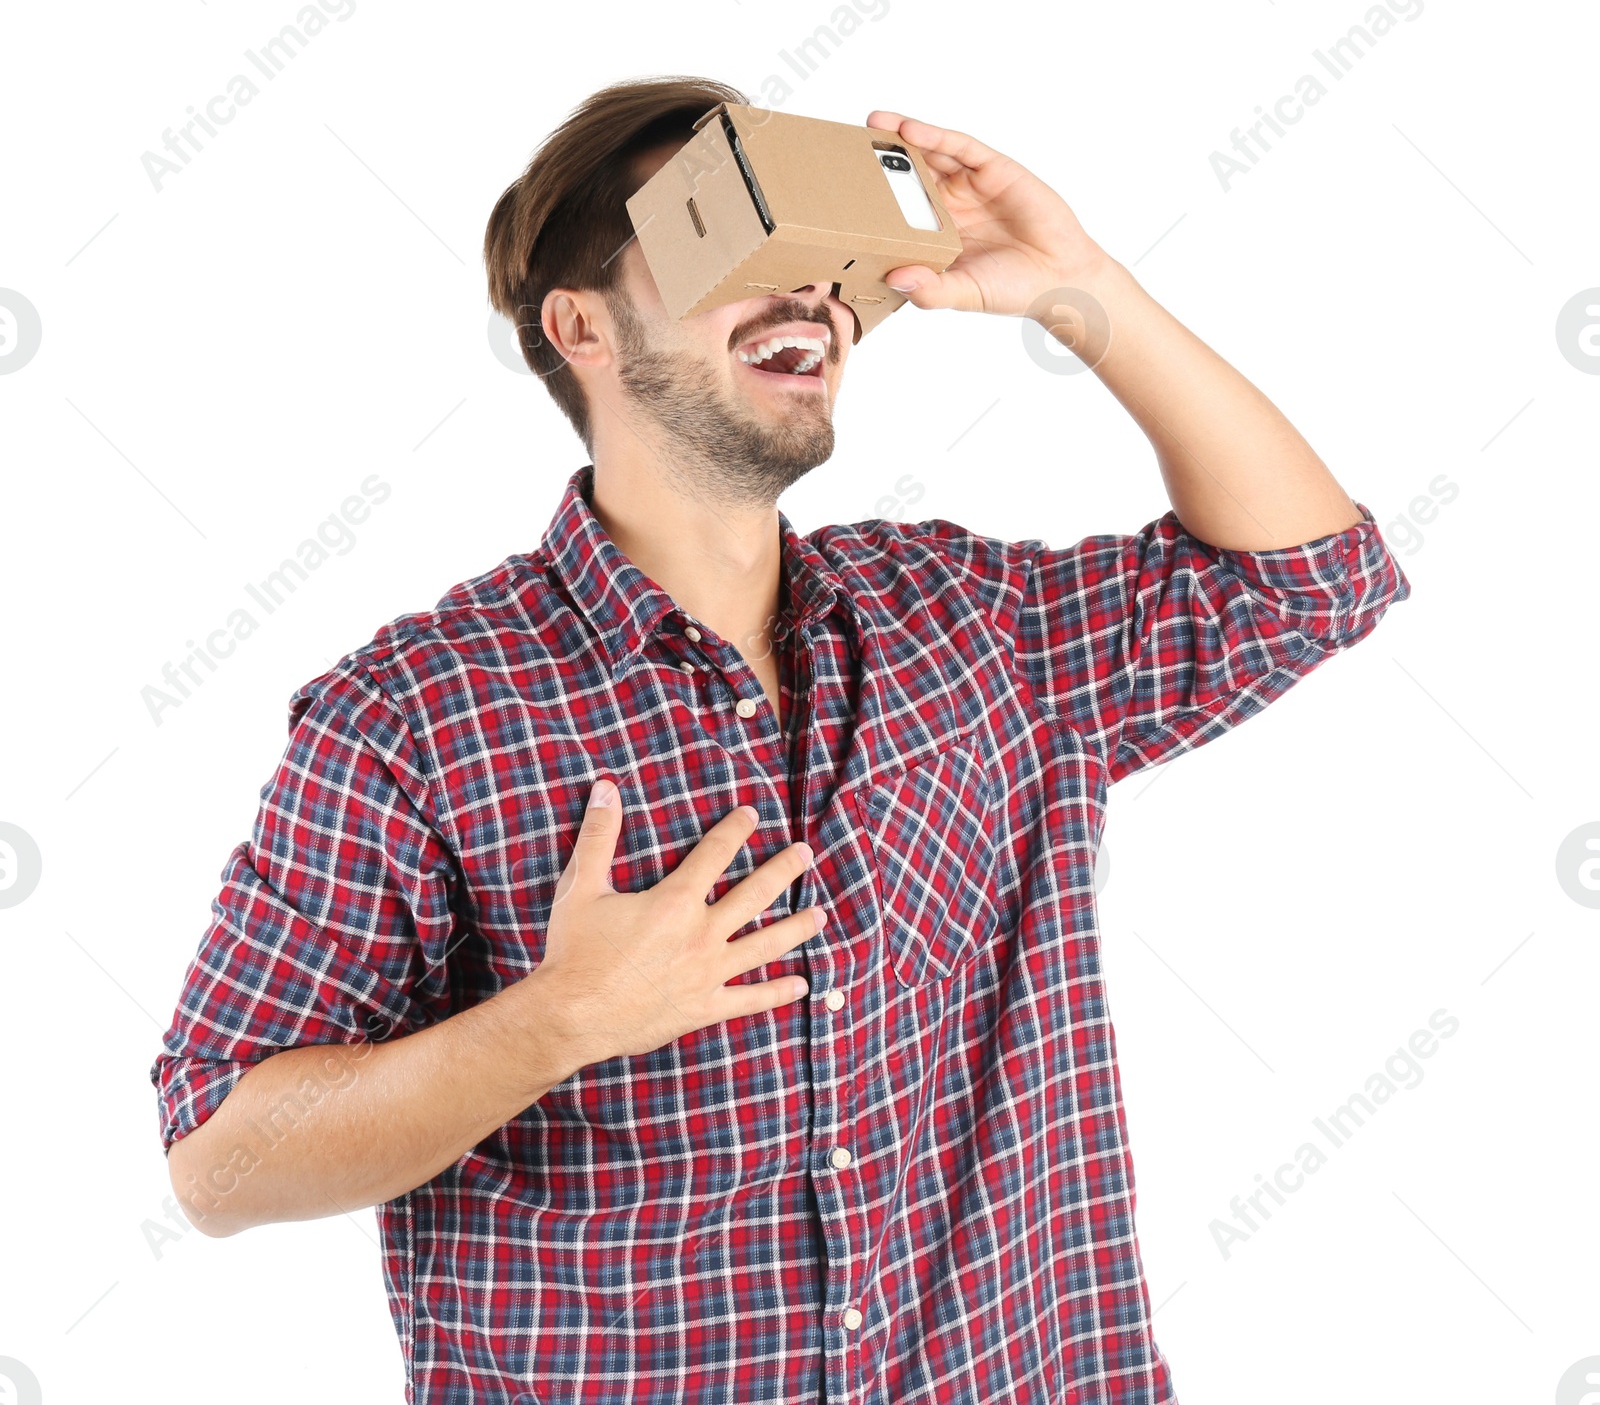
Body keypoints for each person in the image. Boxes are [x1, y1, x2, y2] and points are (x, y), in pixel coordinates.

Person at [151, 74, 1411, 1404]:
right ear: (582, 324)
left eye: (822, 263)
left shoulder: (970, 623)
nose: (808, 296)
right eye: (728, 246)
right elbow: (218, 1164)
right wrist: (559, 1020)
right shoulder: (419, 714)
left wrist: (1078, 286)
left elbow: (1312, 579)